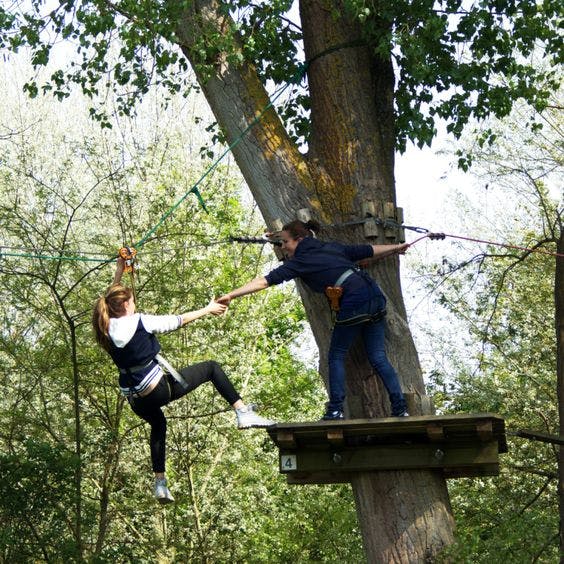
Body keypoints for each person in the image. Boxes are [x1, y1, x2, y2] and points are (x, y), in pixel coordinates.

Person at [92, 257, 274, 505]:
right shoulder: (140, 321)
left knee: (158, 425)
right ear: (124, 305)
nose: (135, 304)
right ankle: (242, 412)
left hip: (135, 399)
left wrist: (119, 272)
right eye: (132, 301)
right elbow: (177, 320)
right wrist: (208, 309)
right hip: (156, 390)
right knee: (211, 368)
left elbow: (109, 299)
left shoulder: (104, 325)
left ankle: (160, 484)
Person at [217, 219, 410, 420]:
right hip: (375, 296)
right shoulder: (332, 248)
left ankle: (335, 409)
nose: (283, 247)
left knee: (336, 355)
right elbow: (368, 250)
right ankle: (400, 408)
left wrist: (231, 294)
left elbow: (264, 281)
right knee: (378, 357)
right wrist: (397, 247)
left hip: (355, 300)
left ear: (299, 240)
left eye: (285, 242)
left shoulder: (300, 262)